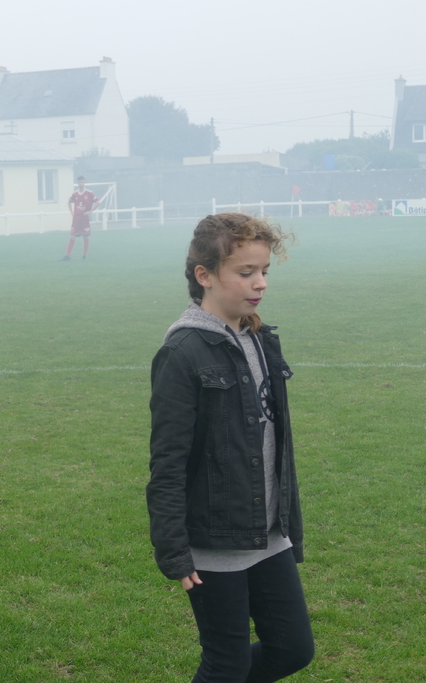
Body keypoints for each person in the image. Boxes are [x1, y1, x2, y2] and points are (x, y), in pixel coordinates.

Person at [146, 213, 314, 683]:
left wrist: (288, 521)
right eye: (246, 272)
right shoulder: (183, 352)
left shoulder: (258, 338)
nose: (260, 283)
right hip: (215, 541)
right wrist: (174, 549)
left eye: (264, 271)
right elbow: (168, 462)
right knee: (227, 664)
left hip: (268, 533)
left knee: (292, 649)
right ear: (204, 275)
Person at [62, 176, 98, 261]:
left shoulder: (89, 193)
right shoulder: (75, 193)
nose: (80, 183)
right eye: (79, 182)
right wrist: (71, 211)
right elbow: (68, 202)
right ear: (77, 183)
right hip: (77, 218)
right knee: (72, 235)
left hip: (84, 218)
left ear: (84, 182)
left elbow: (98, 202)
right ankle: (67, 256)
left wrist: (91, 211)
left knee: (85, 236)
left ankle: (84, 256)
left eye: (82, 182)